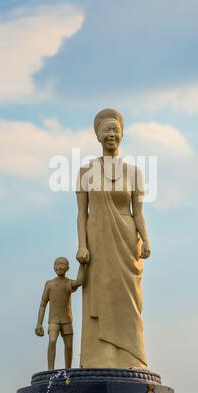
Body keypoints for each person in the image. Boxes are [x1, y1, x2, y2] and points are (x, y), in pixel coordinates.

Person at [76, 108, 151, 369]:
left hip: (126, 237)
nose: (111, 135)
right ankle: (99, 357)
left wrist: (146, 239)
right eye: (106, 130)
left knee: (129, 300)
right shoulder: (86, 171)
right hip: (97, 239)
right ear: (97, 135)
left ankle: (133, 357)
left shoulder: (134, 172)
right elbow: (81, 214)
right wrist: (82, 245)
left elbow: (138, 212)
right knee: (99, 292)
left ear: (122, 135)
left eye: (115, 131)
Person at [35, 257, 86, 369]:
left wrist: (82, 264)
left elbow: (80, 282)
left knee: (68, 346)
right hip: (54, 320)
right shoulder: (49, 284)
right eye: (57, 264)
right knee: (52, 340)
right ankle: (50, 370)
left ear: (67, 268)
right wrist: (39, 323)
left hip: (67, 320)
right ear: (54, 267)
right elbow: (43, 304)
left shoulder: (68, 283)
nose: (59, 267)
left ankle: (68, 370)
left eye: (62, 264)